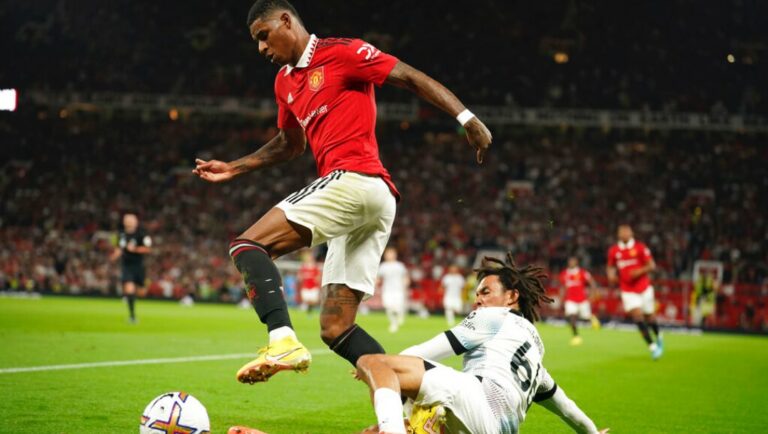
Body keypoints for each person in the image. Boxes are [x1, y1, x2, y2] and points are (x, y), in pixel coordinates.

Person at [193, 0, 492, 384]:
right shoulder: (285, 82)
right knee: (336, 329)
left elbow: (410, 77)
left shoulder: (343, 53)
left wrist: (467, 118)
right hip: (371, 203)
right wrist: (234, 167)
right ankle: (430, 397)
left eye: (263, 36)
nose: (261, 49)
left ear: (286, 21)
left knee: (248, 247)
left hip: (355, 180)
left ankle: (281, 338)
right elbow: (290, 144)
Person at [229, 253, 607, 434]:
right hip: (488, 427)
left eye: (486, 291)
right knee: (376, 431)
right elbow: (568, 410)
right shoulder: (535, 357)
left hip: (476, 406)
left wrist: (376, 371)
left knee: (381, 366)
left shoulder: (494, 318)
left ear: (512, 298)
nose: (477, 299)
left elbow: (418, 355)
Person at [606, 224, 663, 360]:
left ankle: (659, 335)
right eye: (621, 231)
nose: (623, 234)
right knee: (637, 315)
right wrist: (611, 275)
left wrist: (639, 271)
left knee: (650, 317)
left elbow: (651, 265)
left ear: (631, 233)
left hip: (644, 288)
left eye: (626, 231)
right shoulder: (614, 250)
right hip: (627, 289)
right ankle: (652, 346)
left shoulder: (640, 247)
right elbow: (610, 266)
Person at [109, 213, 152, 323]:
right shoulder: (121, 234)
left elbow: (148, 249)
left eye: (131, 220)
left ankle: (130, 297)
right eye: (127, 220)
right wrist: (114, 256)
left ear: (136, 222)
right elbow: (119, 249)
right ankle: (132, 316)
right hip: (127, 266)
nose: (129, 222)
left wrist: (135, 249)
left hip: (139, 266)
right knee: (129, 288)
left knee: (142, 292)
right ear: (124, 222)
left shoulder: (142, 234)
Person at [558, 256, 600, 346]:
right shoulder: (564, 274)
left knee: (585, 317)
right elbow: (562, 287)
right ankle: (576, 336)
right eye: (570, 261)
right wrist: (561, 298)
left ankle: (592, 318)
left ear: (576, 262)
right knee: (571, 316)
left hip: (582, 300)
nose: (571, 263)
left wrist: (593, 294)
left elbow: (592, 282)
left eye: (573, 261)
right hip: (570, 300)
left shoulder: (582, 272)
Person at [377, 247, 410, 333]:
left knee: (397, 307)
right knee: (388, 307)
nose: (389, 255)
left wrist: (406, 284)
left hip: (398, 290)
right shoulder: (383, 266)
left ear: (395, 255)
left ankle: (399, 316)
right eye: (388, 254)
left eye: (391, 253)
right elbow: (378, 278)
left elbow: (405, 276)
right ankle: (393, 323)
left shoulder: (400, 265)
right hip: (387, 290)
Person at [298, 249, 321, 314]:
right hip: (306, 286)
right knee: (306, 299)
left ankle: (308, 309)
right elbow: (300, 276)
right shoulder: (303, 267)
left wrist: (317, 280)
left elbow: (318, 276)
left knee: (313, 300)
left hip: (313, 286)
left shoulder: (315, 267)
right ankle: (306, 309)